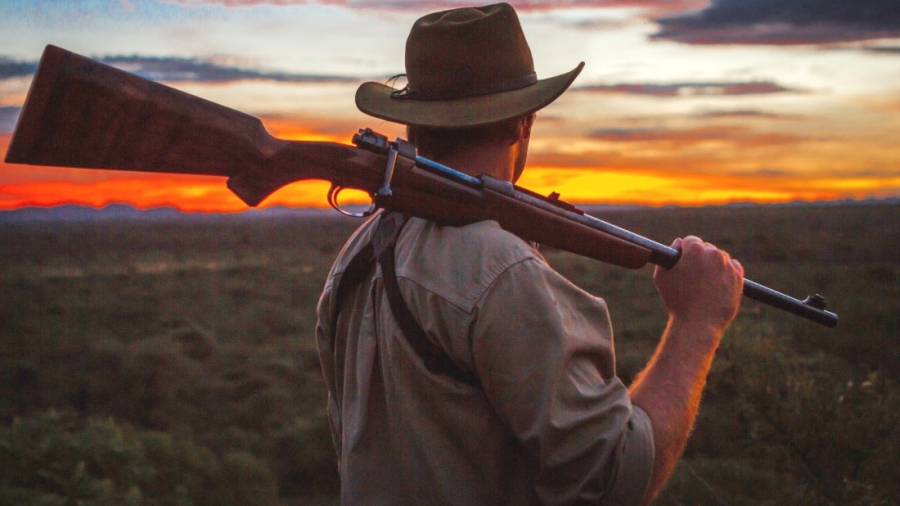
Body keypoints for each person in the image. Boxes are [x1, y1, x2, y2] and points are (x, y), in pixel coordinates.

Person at [315, 3, 744, 505]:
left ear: (415, 122)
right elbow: (614, 477)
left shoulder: (358, 252)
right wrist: (696, 325)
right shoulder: (502, 272)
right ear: (523, 121)